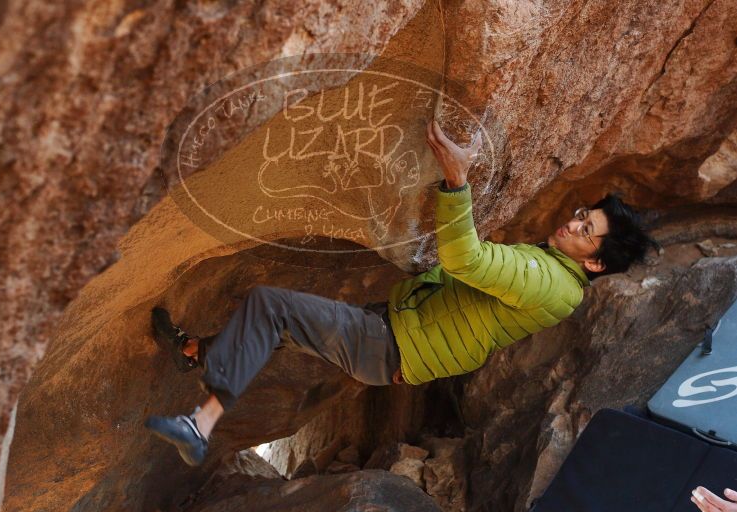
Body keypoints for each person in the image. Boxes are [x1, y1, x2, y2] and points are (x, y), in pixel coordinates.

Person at [145, 119, 660, 466]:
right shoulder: (551, 268)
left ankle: (199, 424)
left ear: (593, 262)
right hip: (397, 332)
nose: (573, 224)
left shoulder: (551, 284)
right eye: (580, 214)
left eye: (586, 229)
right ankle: (196, 353)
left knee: (270, 305)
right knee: (278, 327)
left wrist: (456, 181)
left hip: (389, 344)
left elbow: (466, 259)